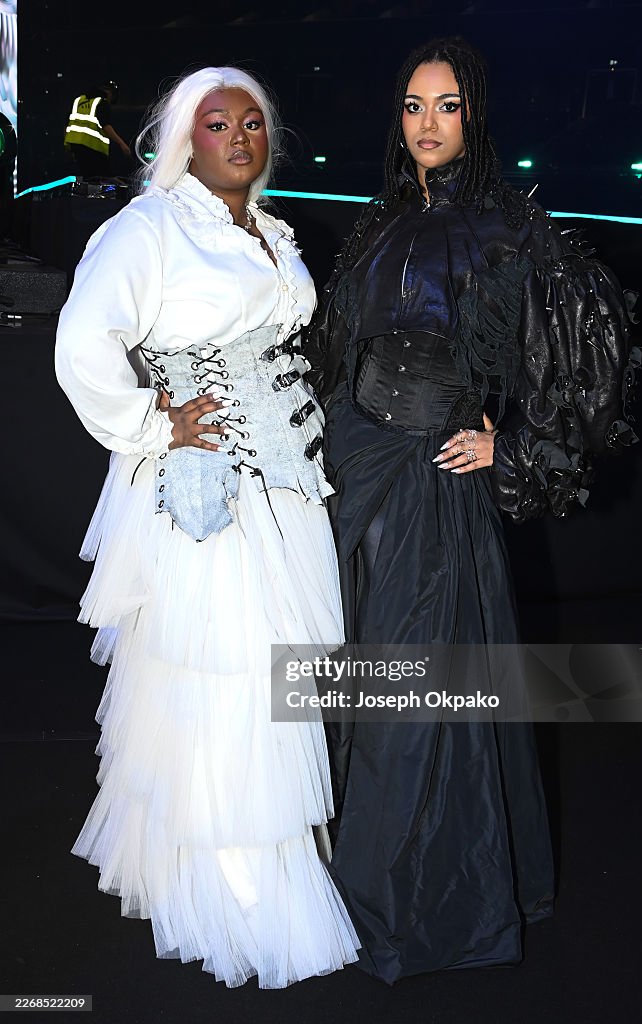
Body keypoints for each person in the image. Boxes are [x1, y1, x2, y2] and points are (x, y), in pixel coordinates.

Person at [305, 37, 638, 984]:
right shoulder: (376, 223)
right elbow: (341, 349)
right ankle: (337, 875)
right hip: (350, 474)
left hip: (428, 486)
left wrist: (517, 445)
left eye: (445, 106)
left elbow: (593, 351)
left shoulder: (508, 231)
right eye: (412, 105)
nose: (425, 124)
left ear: (473, 116)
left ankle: (403, 907)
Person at [55, 66, 359, 988]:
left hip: (287, 491)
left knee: (276, 677)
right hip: (209, 496)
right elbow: (81, 346)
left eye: (253, 123)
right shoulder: (149, 228)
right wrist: (154, 422)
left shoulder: (267, 230)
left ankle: (257, 858)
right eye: (218, 122)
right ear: (186, 138)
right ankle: (232, 887)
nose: (239, 136)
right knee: (224, 677)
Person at [64, 80, 131, 177]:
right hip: (93, 147)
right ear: (109, 93)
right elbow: (106, 126)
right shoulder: (101, 102)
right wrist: (122, 144)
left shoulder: (79, 100)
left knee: (86, 177)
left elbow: (67, 124)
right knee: (104, 178)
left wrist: (67, 146)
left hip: (75, 146)